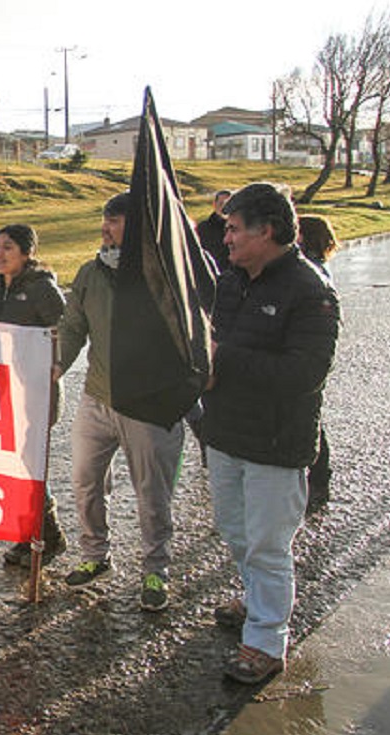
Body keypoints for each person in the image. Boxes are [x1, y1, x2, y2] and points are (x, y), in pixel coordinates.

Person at [202, 183, 340, 684]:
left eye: (235, 229)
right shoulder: (232, 281)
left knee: (268, 545)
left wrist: (223, 360)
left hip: (276, 444)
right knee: (236, 531)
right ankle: (254, 596)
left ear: (268, 231)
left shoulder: (310, 291)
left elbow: (305, 374)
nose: (226, 238)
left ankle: (265, 641)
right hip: (225, 434)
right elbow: (217, 343)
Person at [57, 192, 186, 612]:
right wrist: (56, 364)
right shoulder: (90, 272)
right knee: (85, 481)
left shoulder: (165, 272)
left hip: (148, 403)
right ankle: (95, 555)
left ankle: (155, 569)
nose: (105, 228)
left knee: (152, 492)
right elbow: (73, 327)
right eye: (105, 220)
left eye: (114, 221)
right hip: (97, 397)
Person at [0, 224, 68, 569]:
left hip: (35, 389)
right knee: (13, 465)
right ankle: (28, 533)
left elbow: (67, 329)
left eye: (8, 247)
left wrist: (56, 363)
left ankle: (49, 535)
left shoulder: (41, 288)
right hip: (2, 389)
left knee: (31, 465)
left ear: (27, 253)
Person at [297, 214, 339, 513]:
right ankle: (318, 478)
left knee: (310, 417)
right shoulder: (313, 264)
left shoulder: (311, 270)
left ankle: (319, 479)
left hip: (308, 353)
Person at [196, 190, 232, 272]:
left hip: (232, 275)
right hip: (207, 274)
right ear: (214, 204)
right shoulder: (202, 228)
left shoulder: (238, 229)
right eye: (221, 204)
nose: (224, 208)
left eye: (228, 205)